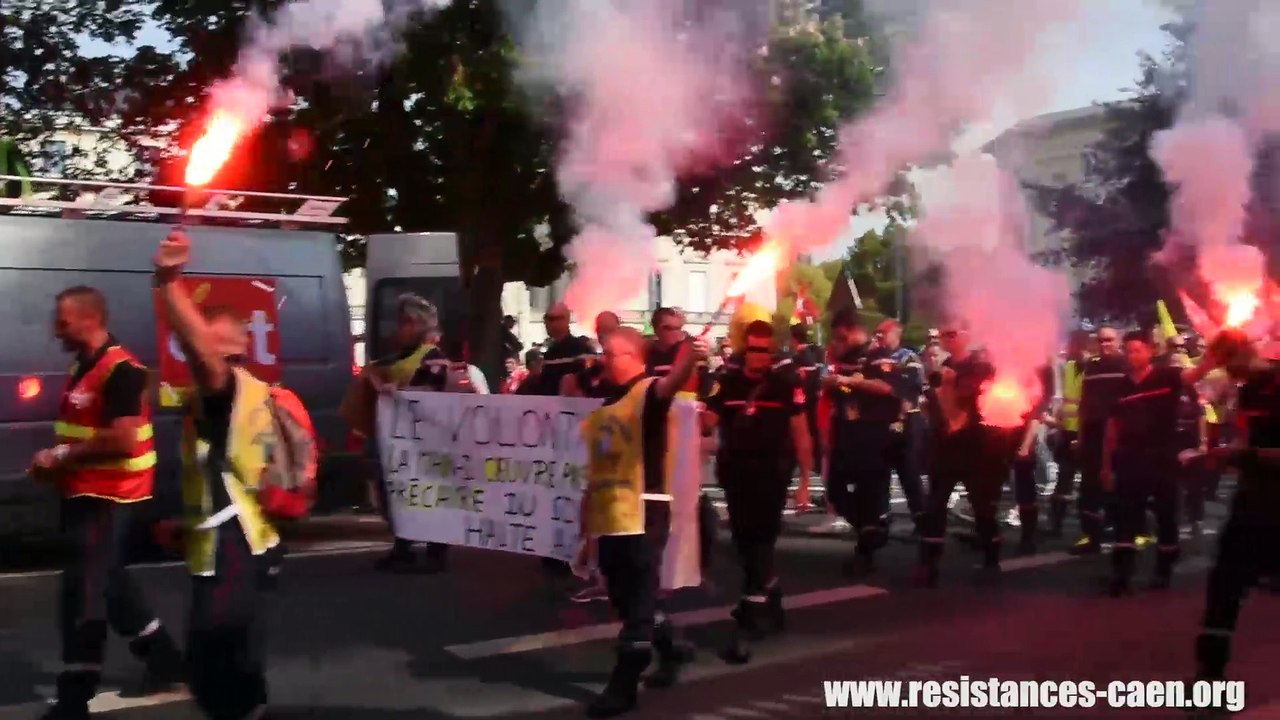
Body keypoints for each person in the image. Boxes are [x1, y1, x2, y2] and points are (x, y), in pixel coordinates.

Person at [32, 287, 182, 720]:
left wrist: (59, 456)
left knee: (84, 594)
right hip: (82, 491)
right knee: (109, 585)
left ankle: (75, 697)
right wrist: (56, 463)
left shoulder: (122, 371)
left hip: (110, 496)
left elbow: (122, 437)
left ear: (90, 319)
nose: (55, 329)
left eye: (62, 321)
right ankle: (165, 659)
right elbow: (81, 431)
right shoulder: (84, 364)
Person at [153, 230, 284, 720]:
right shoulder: (246, 391)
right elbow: (226, 473)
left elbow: (202, 355)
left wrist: (169, 281)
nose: (192, 356)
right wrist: (184, 524)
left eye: (203, 348)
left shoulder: (224, 391)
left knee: (216, 671)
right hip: (249, 540)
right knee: (239, 666)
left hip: (235, 547)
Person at [578, 328, 708, 717]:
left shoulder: (649, 393)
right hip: (609, 516)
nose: (604, 360)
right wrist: (587, 530)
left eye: (612, 354)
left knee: (636, 606)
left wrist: (691, 358)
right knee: (628, 599)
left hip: (642, 515)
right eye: (603, 353)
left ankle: (624, 684)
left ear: (635, 356)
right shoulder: (605, 405)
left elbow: (672, 384)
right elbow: (597, 469)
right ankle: (673, 649)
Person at [703, 320, 812, 663]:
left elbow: (801, 432)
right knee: (743, 541)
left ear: (772, 350)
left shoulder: (786, 383)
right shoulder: (727, 380)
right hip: (735, 473)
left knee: (762, 539)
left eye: (764, 350)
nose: (758, 356)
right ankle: (772, 593)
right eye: (752, 348)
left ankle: (751, 613)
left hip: (772, 473)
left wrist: (806, 480)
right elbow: (708, 420)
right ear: (743, 347)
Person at [1194, 329, 1280, 682]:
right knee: (1223, 588)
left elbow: (1258, 451)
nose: (1227, 376)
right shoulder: (1247, 392)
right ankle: (1209, 680)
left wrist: (1247, 455)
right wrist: (1222, 454)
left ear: (1242, 354)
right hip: (1251, 504)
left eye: (1228, 366)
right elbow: (1245, 440)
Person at [360, 294, 452, 573]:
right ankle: (404, 544)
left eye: (401, 324)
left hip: (424, 442)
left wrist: (395, 392)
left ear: (413, 324)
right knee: (398, 491)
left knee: (428, 491)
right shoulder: (403, 356)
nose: (396, 331)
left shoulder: (433, 357)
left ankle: (436, 550)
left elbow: (434, 395)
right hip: (400, 441)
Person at [917, 321, 998, 586]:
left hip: (974, 446)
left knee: (982, 505)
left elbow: (961, 409)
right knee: (935, 505)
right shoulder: (945, 368)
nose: (946, 340)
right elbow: (932, 405)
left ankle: (991, 558)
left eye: (951, 335)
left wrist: (944, 388)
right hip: (945, 447)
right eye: (943, 335)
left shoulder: (979, 367)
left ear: (966, 335)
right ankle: (930, 563)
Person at [825, 309, 900, 571]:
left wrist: (849, 382)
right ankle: (871, 530)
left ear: (855, 330)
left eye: (842, 336)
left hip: (872, 436)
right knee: (835, 490)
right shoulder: (842, 358)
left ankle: (866, 549)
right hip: (846, 434)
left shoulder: (876, 355)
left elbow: (887, 387)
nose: (838, 342)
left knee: (869, 493)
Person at [1071, 324, 1127, 554]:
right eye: (1102, 340)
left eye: (1110, 340)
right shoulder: (1091, 368)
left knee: (1120, 483)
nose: (1105, 344)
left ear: (1118, 341)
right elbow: (1084, 404)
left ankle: (1125, 533)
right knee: (1089, 485)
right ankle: (1090, 536)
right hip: (1094, 431)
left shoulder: (1126, 365)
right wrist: (1080, 436)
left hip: (1121, 432)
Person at [874, 319, 927, 531]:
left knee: (909, 473)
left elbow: (910, 387)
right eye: (876, 334)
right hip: (880, 421)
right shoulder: (874, 357)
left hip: (907, 421)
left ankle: (921, 519)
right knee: (880, 473)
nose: (878, 338)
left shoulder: (908, 357)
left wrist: (900, 416)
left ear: (896, 334)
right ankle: (881, 517)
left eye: (882, 334)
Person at [1047, 330, 1088, 537]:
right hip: (1067, 431)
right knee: (1064, 479)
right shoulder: (1069, 367)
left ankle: (1090, 526)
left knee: (1090, 480)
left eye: (1077, 345)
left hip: (1087, 432)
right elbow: (1061, 399)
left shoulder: (1094, 369)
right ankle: (1056, 523)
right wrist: (1056, 423)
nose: (1075, 349)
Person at [787, 324, 823, 511]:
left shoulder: (798, 358)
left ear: (793, 338)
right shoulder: (813, 355)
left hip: (802, 408)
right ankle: (804, 488)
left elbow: (799, 383)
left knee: (802, 448)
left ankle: (804, 489)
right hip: (811, 406)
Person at [528, 303, 594, 396]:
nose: (546, 323)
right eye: (546, 318)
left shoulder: (580, 348)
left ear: (565, 320)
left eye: (551, 319)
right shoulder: (549, 352)